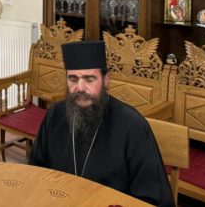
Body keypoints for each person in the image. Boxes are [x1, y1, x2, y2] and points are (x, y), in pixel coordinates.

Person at [29, 41, 174, 207]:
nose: (80, 88)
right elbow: (35, 172)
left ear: (106, 80)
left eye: (89, 79)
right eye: (73, 79)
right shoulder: (55, 115)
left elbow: (154, 200)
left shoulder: (133, 126)